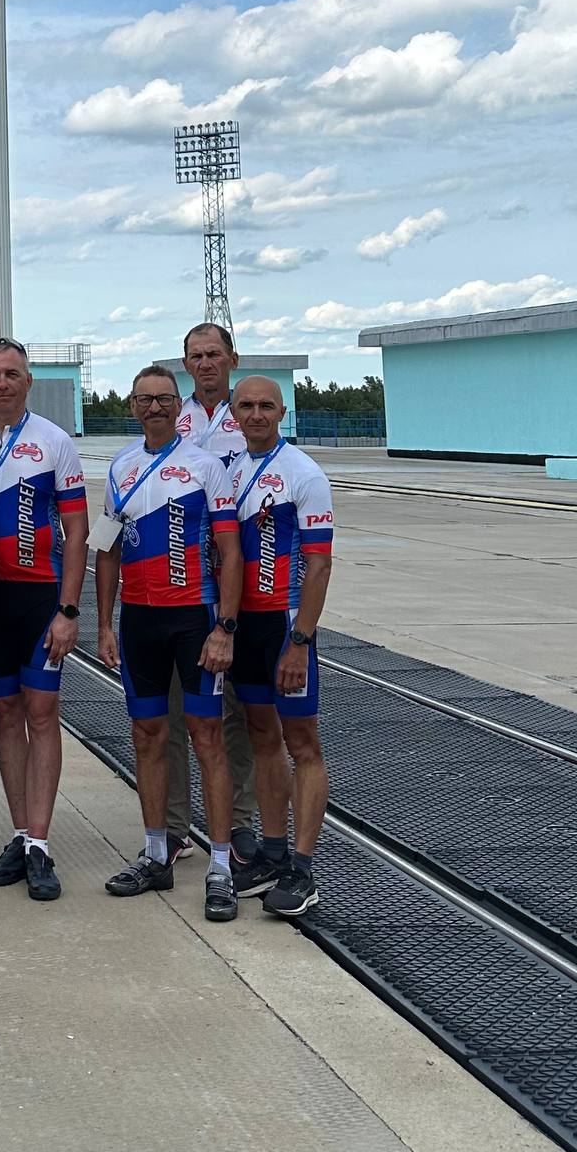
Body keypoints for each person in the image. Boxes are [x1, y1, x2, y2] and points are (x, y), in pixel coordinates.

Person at [94, 364, 245, 923]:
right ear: (132, 406)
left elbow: (230, 553)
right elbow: (106, 550)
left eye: (163, 399)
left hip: (194, 619)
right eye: (144, 399)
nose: (154, 407)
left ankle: (222, 866)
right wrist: (105, 624)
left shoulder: (207, 467)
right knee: (147, 735)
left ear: (178, 406)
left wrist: (224, 627)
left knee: (208, 737)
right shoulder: (122, 465)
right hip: (139, 620)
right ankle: (157, 851)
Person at [0, 339, 88, 903]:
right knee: (5, 715)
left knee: (41, 711)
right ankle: (18, 833)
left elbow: (77, 532)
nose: (2, 383)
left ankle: (41, 841)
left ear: (28, 381)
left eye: (12, 374)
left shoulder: (55, 443)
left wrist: (68, 610)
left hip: (38, 601)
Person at [224, 376, 334, 918]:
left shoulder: (303, 474)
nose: (257, 414)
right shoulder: (233, 469)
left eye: (266, 406)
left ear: (282, 411)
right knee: (262, 736)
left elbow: (319, 563)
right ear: (234, 412)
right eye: (246, 406)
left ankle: (303, 866)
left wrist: (301, 641)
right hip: (246, 627)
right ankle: (271, 851)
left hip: (288, 625)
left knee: (302, 742)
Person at [163, 320, 259, 873]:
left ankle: (241, 822)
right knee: (175, 711)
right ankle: (175, 827)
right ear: (185, 363)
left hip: (234, 580)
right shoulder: (170, 418)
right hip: (178, 583)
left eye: (213, 354)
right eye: (195, 356)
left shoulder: (245, 417)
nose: (205, 364)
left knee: (236, 712)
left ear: (231, 358)